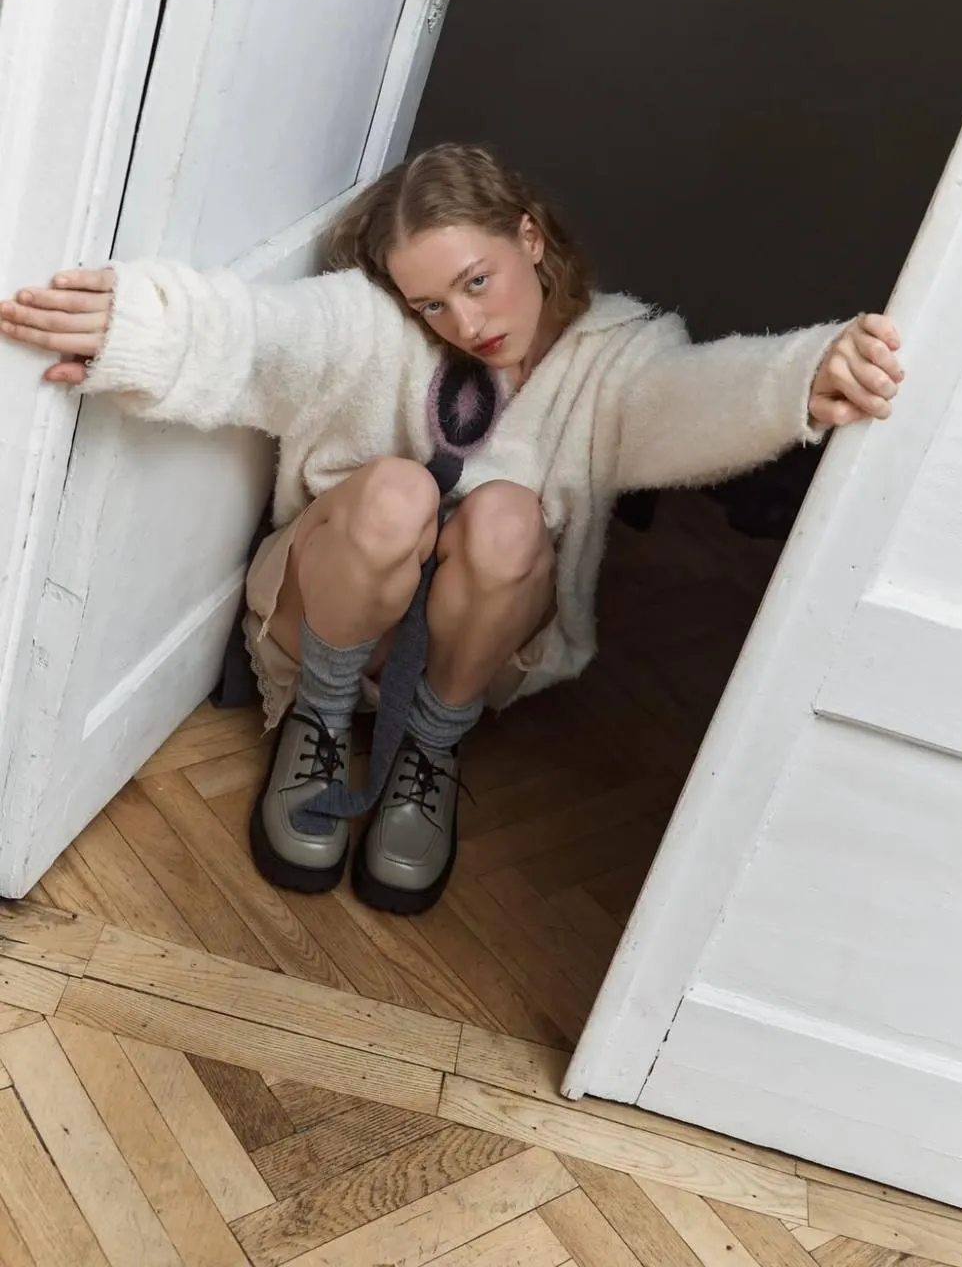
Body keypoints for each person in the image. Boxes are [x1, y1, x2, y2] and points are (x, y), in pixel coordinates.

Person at [0, 143, 905, 916]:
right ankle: (316, 723)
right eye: (431, 304)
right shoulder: (371, 324)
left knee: (508, 515)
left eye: (477, 282)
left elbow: (686, 396)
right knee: (397, 491)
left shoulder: (613, 353)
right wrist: (144, 327)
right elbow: (265, 334)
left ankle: (428, 750)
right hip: (328, 613)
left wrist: (798, 376)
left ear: (530, 238)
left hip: (472, 648)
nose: (465, 324)